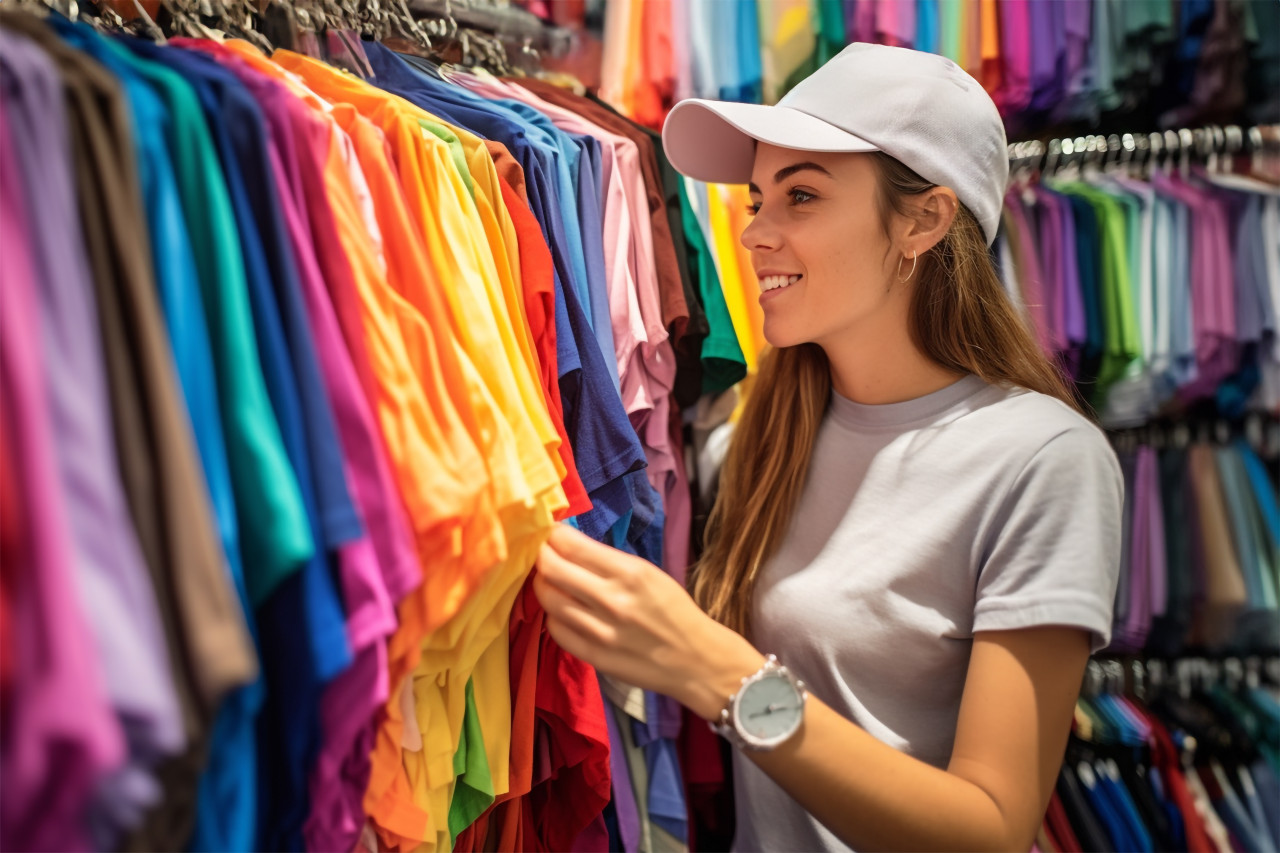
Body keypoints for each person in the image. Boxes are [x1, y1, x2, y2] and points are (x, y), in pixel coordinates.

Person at [533, 43, 1122, 852]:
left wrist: (715, 670)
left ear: (924, 220)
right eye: (755, 200)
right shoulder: (758, 438)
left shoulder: (1042, 460)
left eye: (800, 196)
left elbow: (991, 827)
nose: (755, 236)